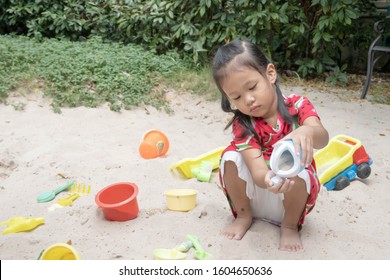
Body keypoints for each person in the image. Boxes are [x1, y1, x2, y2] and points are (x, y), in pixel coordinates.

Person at [211, 40, 329, 252]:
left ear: (270, 74)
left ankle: (290, 226)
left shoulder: (298, 106)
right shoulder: (243, 123)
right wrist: (267, 180)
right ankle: (244, 215)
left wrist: (307, 130)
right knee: (230, 158)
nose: (248, 100)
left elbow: (323, 138)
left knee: (300, 169)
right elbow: (256, 171)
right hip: (258, 192)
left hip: (291, 197)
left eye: (252, 87)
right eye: (236, 97)